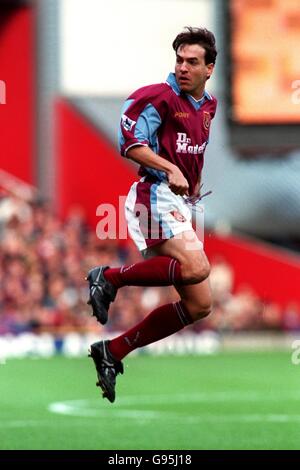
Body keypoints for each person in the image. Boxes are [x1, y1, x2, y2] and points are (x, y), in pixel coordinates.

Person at [87, 26, 218, 403]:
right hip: (152, 196)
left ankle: (112, 352)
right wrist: (170, 169)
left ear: (209, 69)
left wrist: (192, 180)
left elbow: (190, 151)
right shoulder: (156, 98)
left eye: (192, 62)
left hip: (180, 203)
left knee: (200, 305)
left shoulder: (209, 106)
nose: (183, 67)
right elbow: (130, 144)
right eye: (179, 60)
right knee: (197, 268)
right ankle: (108, 277)